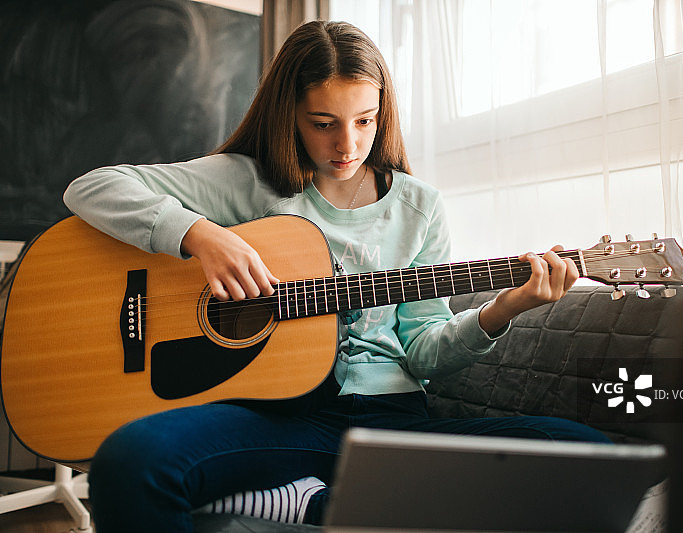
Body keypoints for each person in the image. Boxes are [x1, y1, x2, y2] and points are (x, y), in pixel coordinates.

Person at [63, 20, 610, 533]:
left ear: (382, 114)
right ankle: (316, 494)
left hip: (392, 420)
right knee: (129, 461)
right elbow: (92, 187)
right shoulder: (249, 183)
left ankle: (307, 498)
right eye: (323, 124)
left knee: (594, 456)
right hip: (277, 418)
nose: (346, 145)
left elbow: (423, 353)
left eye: (364, 121)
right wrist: (200, 235)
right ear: (289, 115)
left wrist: (504, 310)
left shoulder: (419, 208)